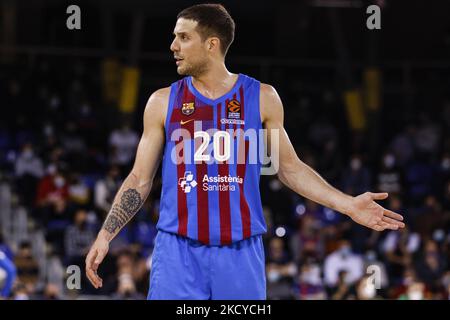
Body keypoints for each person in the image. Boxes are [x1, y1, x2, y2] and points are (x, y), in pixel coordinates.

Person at [85, 3, 405, 300]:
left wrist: (348, 205)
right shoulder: (162, 102)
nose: (173, 46)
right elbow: (140, 178)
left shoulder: (262, 97)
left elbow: (289, 168)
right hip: (177, 250)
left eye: (183, 37)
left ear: (211, 44)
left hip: (240, 252)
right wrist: (106, 234)